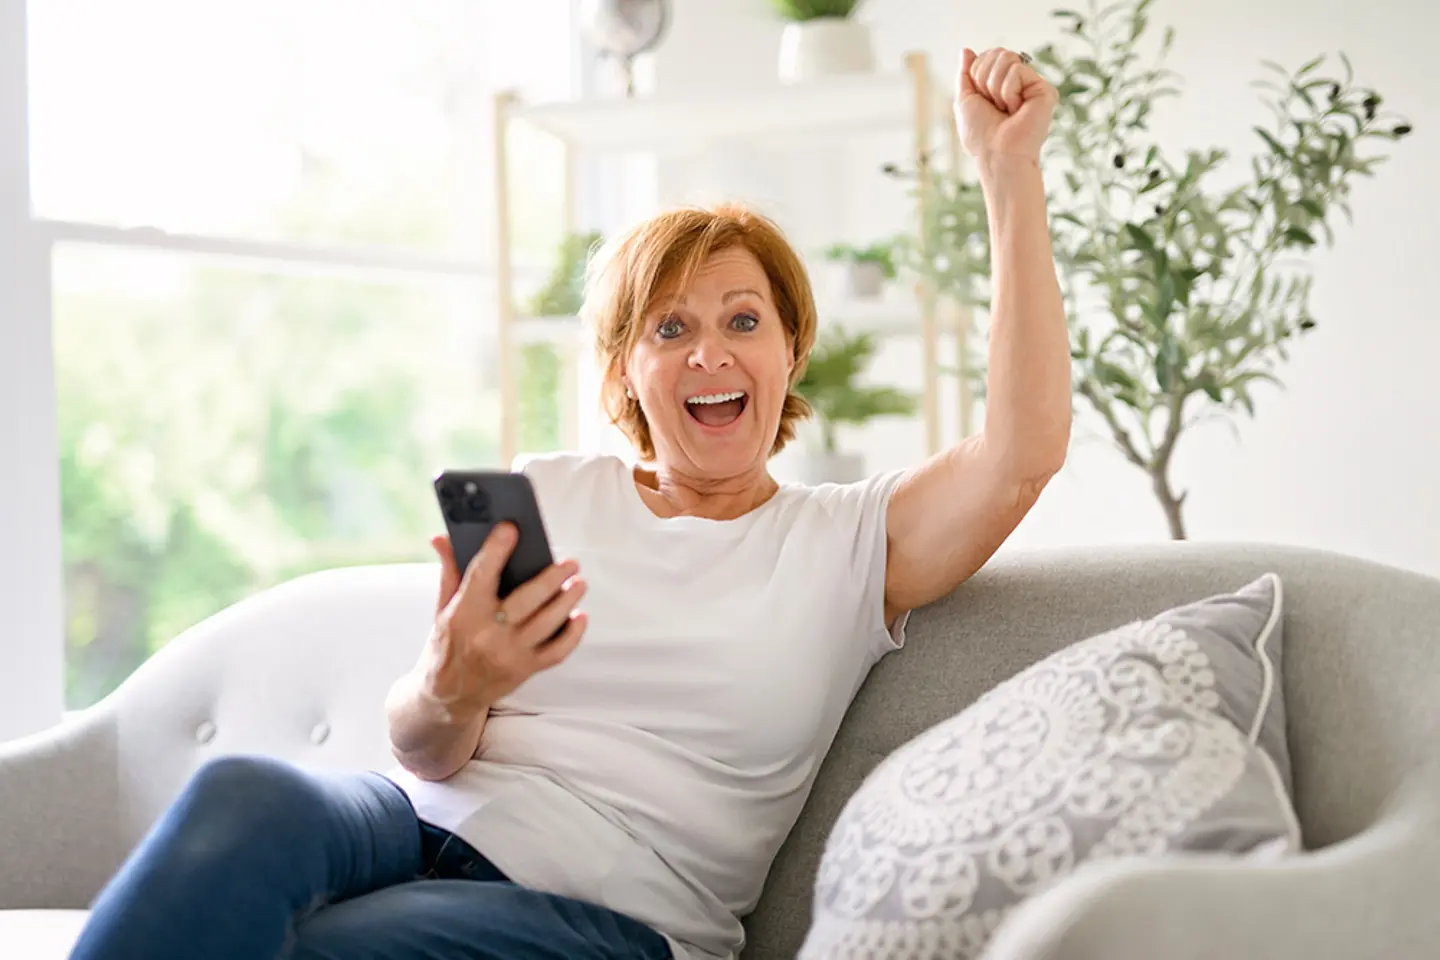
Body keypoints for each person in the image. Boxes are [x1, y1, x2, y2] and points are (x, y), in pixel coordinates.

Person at [67, 45, 1069, 960]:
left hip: (612, 920)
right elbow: (424, 745)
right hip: (411, 824)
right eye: (669, 328)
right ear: (628, 374)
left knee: (338, 946)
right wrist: (452, 686)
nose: (710, 351)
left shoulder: (849, 543)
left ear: (789, 351)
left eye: (743, 320)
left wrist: (1005, 170)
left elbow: (1022, 453)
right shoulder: (546, 492)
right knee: (241, 797)